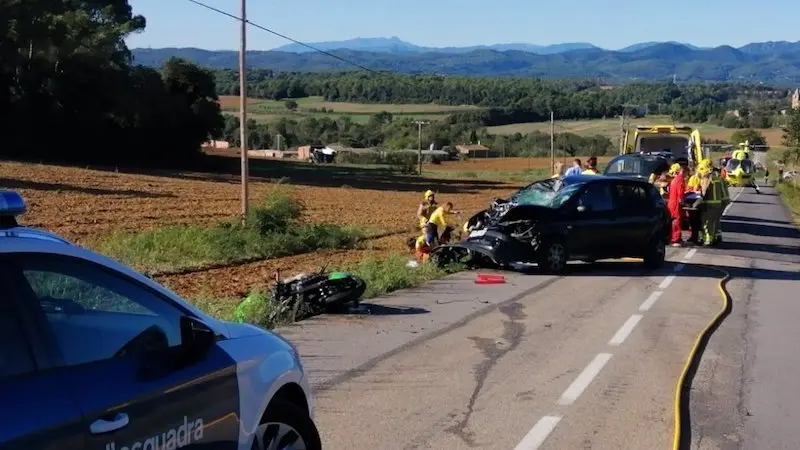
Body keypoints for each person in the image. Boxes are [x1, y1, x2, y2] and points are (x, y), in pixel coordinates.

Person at [667, 163, 687, 246]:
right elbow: (680, 191)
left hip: (672, 202)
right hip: (676, 203)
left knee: (674, 220)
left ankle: (675, 237)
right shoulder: (680, 179)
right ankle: (675, 239)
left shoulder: (674, 180)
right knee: (676, 220)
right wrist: (682, 201)